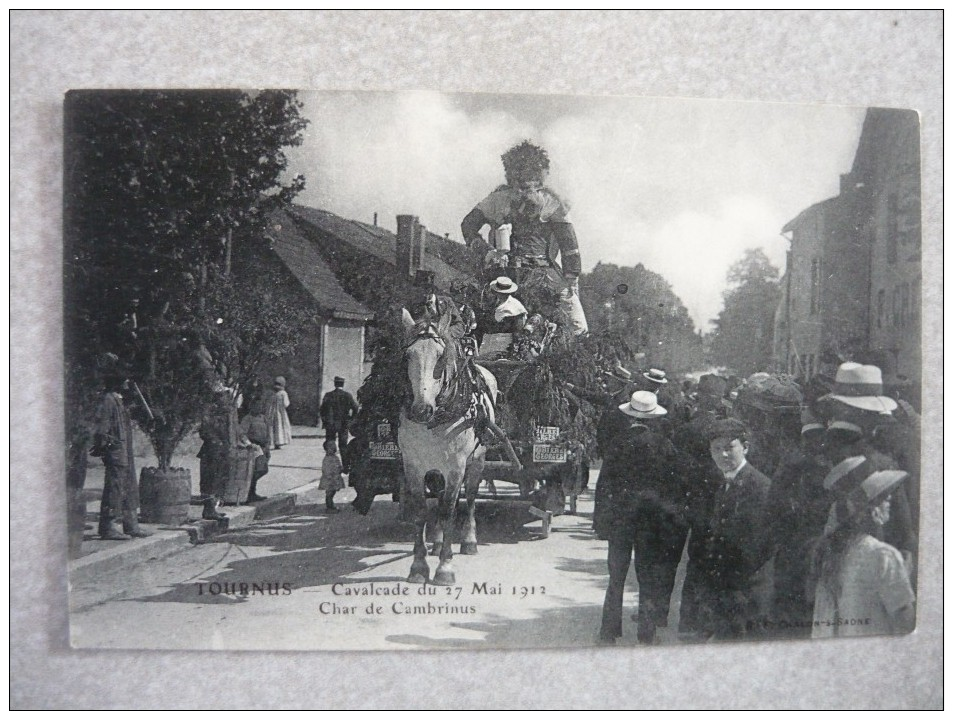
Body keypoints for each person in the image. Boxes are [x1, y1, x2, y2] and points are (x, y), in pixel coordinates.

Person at [460, 140, 588, 336]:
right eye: (520, 171)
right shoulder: (498, 199)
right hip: (503, 275)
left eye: (531, 172)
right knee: (471, 319)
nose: (526, 179)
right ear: (511, 173)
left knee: (578, 328)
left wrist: (571, 277)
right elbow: (468, 225)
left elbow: (569, 244)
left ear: (539, 174)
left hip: (545, 276)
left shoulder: (550, 202)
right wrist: (487, 252)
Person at [593, 391, 685, 645]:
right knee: (648, 578)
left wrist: (601, 522)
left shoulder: (617, 443)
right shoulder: (665, 446)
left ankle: (608, 631)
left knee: (616, 578)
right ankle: (647, 632)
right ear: (654, 418)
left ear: (630, 415)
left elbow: (604, 486)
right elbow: (673, 487)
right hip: (651, 523)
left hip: (620, 521)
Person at [686, 418, 773, 640]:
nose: (723, 455)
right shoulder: (721, 482)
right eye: (716, 449)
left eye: (729, 448)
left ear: (745, 447)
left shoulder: (758, 486)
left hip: (746, 592)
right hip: (726, 592)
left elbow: (755, 546)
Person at [811, 456, 915, 638]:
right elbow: (907, 627)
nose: (889, 499)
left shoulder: (829, 554)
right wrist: (902, 576)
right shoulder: (883, 555)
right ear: (872, 509)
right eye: (883, 496)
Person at [91, 372, 152, 540]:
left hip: (126, 452)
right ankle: (108, 526)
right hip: (116, 452)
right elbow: (102, 430)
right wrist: (107, 448)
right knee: (114, 488)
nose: (127, 382)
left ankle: (131, 524)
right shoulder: (108, 400)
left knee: (129, 487)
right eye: (124, 379)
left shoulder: (119, 400)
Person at [197, 387, 242, 521]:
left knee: (220, 479)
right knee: (210, 480)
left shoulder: (226, 414)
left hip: (223, 451)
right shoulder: (210, 413)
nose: (226, 401)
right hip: (211, 451)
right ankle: (208, 509)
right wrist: (217, 443)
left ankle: (213, 508)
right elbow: (205, 431)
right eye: (223, 397)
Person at [239, 397, 273, 503]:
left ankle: (252, 492)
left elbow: (268, 432)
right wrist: (249, 444)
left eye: (260, 405)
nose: (259, 408)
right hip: (254, 447)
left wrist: (268, 445)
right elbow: (242, 433)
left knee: (262, 469)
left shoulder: (263, 418)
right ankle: (249, 493)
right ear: (251, 406)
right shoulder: (248, 418)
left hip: (263, 447)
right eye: (256, 405)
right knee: (256, 470)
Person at [320, 376, 359, 465]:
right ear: (343, 384)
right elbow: (355, 408)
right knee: (343, 446)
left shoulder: (328, 395)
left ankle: (330, 465)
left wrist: (325, 421)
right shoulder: (347, 395)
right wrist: (351, 420)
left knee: (330, 445)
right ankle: (345, 466)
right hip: (343, 424)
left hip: (331, 424)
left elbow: (322, 410)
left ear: (335, 384)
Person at [266, 376, 292, 449]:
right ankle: (279, 442)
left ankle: (273, 442)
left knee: (273, 427)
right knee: (280, 426)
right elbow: (286, 404)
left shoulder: (272, 394)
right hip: (281, 413)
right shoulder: (283, 393)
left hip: (272, 412)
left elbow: (268, 403)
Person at [320, 440, 346, 513]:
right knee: (329, 493)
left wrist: (341, 469)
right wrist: (330, 476)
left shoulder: (335, 457)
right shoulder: (327, 459)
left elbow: (338, 465)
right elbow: (326, 469)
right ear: (326, 449)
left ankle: (331, 506)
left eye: (334, 446)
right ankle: (329, 506)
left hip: (334, 478)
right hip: (330, 479)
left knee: (332, 492)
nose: (334, 448)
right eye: (331, 447)